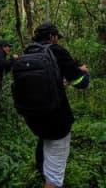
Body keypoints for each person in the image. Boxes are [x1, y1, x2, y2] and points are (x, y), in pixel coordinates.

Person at [25, 22, 89, 188]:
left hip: (33, 116)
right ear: (52, 36)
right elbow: (80, 82)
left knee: (44, 140)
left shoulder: (29, 51)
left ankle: (41, 170)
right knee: (55, 175)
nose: (58, 41)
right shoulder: (56, 50)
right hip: (56, 119)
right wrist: (83, 73)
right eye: (56, 37)